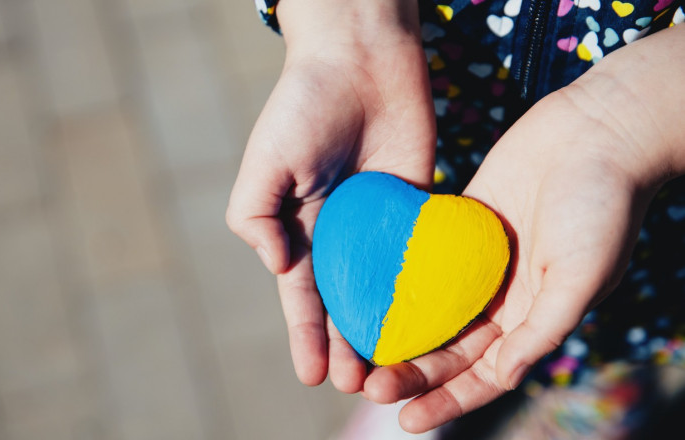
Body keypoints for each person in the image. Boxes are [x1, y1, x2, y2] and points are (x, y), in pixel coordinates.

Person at [227, 0, 685, 436]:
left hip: (658, 219)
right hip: (419, 124)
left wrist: (633, 119)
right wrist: (347, 29)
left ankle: (584, 421)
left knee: (602, 364)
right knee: (495, 340)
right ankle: (415, 352)